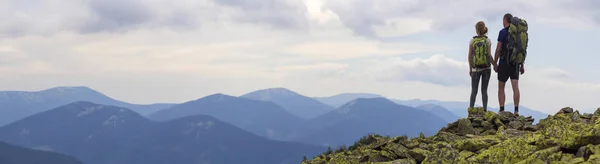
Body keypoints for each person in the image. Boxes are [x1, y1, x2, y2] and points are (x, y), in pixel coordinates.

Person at [494, 13, 525, 116]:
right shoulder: (518, 34)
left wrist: (495, 62)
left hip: (504, 63)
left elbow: (498, 49)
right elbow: (521, 49)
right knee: (515, 86)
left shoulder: (502, 32)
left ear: (505, 20)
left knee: (501, 86)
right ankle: (516, 110)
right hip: (515, 63)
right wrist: (522, 65)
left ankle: (502, 109)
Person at [468, 21, 496, 112]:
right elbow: (489, 55)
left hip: (475, 69)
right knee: (484, 91)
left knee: (474, 91)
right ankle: (484, 111)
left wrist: (471, 68)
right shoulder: (487, 40)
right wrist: (495, 65)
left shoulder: (472, 41)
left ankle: (471, 110)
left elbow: (469, 56)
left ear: (476, 29)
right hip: (486, 69)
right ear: (484, 29)